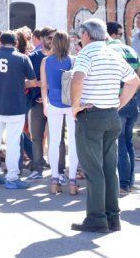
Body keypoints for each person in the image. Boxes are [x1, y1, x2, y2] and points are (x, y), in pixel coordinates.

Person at [70, 18, 140, 232]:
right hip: (111, 115)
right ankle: (113, 217)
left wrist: (75, 106)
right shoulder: (114, 53)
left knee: (93, 169)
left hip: (91, 116)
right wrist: (118, 104)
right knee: (110, 168)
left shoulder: (87, 53)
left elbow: (78, 78)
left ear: (86, 35)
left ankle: (96, 218)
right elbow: (134, 81)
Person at [0, 31, 38, 190]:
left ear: (0, 42)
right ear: (16, 43)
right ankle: (12, 177)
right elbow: (32, 82)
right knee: (13, 144)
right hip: (16, 107)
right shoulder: (23, 58)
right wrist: (19, 83)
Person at [40, 30, 79, 195]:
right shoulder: (74, 61)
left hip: (54, 104)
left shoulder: (45, 61)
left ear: (53, 43)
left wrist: (45, 104)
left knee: (54, 142)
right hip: (71, 104)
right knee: (73, 142)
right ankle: (72, 181)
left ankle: (55, 180)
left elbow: (44, 85)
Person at [105, 22, 140, 196]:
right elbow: (137, 76)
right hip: (132, 101)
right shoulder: (131, 51)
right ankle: (131, 181)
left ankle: (124, 183)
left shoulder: (108, 52)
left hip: (117, 101)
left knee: (118, 144)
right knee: (128, 142)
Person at [26, 26, 58, 181]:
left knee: (57, 138)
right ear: (43, 38)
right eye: (50, 38)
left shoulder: (60, 56)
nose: (52, 41)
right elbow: (26, 82)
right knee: (37, 137)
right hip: (37, 103)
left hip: (56, 103)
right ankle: (37, 168)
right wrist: (39, 84)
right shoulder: (33, 57)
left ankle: (59, 170)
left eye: (55, 38)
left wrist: (46, 87)